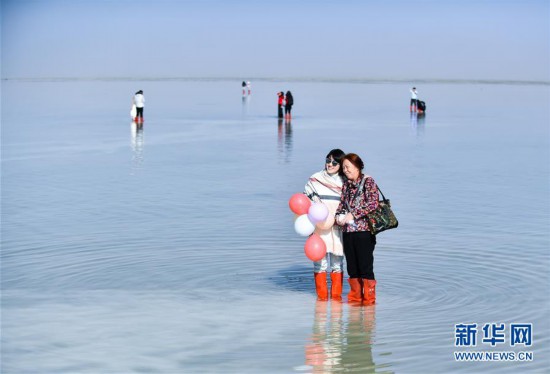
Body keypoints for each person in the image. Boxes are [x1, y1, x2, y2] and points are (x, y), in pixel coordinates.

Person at [336, 153, 380, 305]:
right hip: (348, 232)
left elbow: (373, 204)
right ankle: (355, 302)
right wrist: (339, 217)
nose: (345, 170)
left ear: (357, 166)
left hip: (364, 232)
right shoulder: (346, 185)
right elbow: (342, 205)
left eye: (348, 167)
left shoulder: (368, 182)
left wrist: (353, 214)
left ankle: (369, 303)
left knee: (365, 267)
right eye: (343, 168)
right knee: (352, 268)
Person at [304, 149, 346, 301]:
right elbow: (305, 201)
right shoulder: (315, 179)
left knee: (337, 264)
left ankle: (336, 302)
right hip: (318, 227)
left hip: (337, 227)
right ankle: (321, 302)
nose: (330, 164)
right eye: (328, 160)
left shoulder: (345, 181)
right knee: (319, 264)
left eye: (335, 162)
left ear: (341, 164)